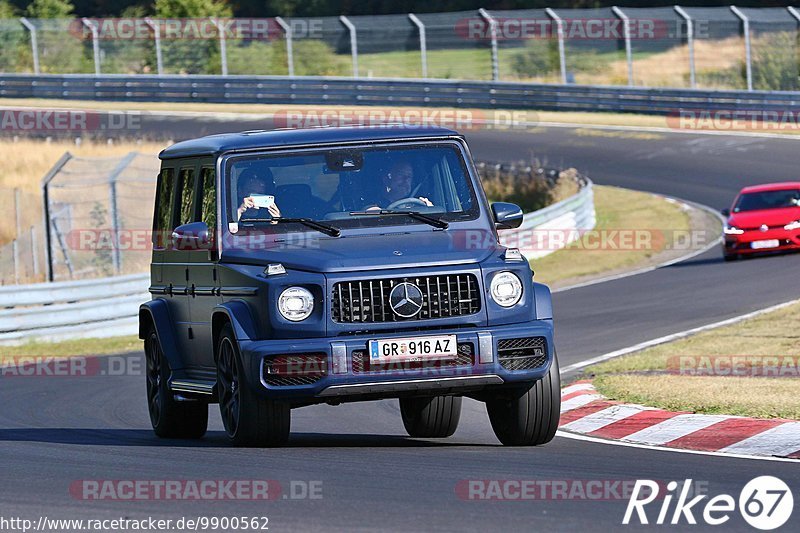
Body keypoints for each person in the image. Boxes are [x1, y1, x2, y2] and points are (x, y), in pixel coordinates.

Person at [366, 161, 432, 210]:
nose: (405, 179)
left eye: (409, 176)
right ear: (386, 179)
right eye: (400, 174)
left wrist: (430, 209)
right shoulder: (376, 204)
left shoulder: (418, 205)